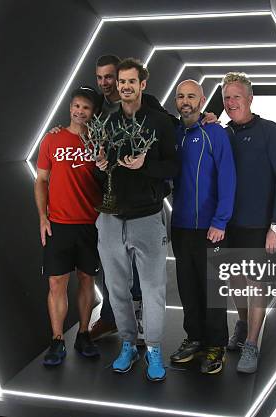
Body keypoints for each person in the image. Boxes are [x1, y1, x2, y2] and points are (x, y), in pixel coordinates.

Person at [95, 58, 178, 382]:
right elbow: (104, 171)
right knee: (117, 289)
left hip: (147, 217)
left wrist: (145, 164)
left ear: (142, 84)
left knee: (154, 288)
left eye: (132, 81)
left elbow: (173, 168)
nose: (125, 86)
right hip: (111, 219)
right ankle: (128, 345)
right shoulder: (108, 122)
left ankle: (154, 349)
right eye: (121, 82)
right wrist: (101, 166)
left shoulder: (160, 122)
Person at [222, 72, 276, 373]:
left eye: (236, 96)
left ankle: (252, 343)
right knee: (234, 281)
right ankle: (241, 323)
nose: (231, 102)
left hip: (259, 226)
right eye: (227, 97)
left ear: (250, 99)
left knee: (255, 284)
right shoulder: (223, 134)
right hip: (228, 225)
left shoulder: (271, 132)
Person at [169, 80, 236, 374]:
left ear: (202, 100)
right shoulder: (175, 133)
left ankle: (216, 344)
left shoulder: (214, 132)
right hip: (181, 226)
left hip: (211, 228)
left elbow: (228, 178)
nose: (186, 101)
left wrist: (220, 221)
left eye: (191, 97)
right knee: (188, 286)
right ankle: (194, 338)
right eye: (181, 96)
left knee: (212, 288)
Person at [35, 87, 102, 366]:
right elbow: (40, 180)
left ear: (93, 112)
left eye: (85, 108)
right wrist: (42, 217)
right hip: (59, 224)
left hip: (91, 223)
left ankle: (84, 333)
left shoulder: (99, 141)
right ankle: (57, 339)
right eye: (76, 106)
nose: (79, 112)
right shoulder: (52, 139)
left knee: (87, 280)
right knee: (56, 282)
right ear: (70, 107)